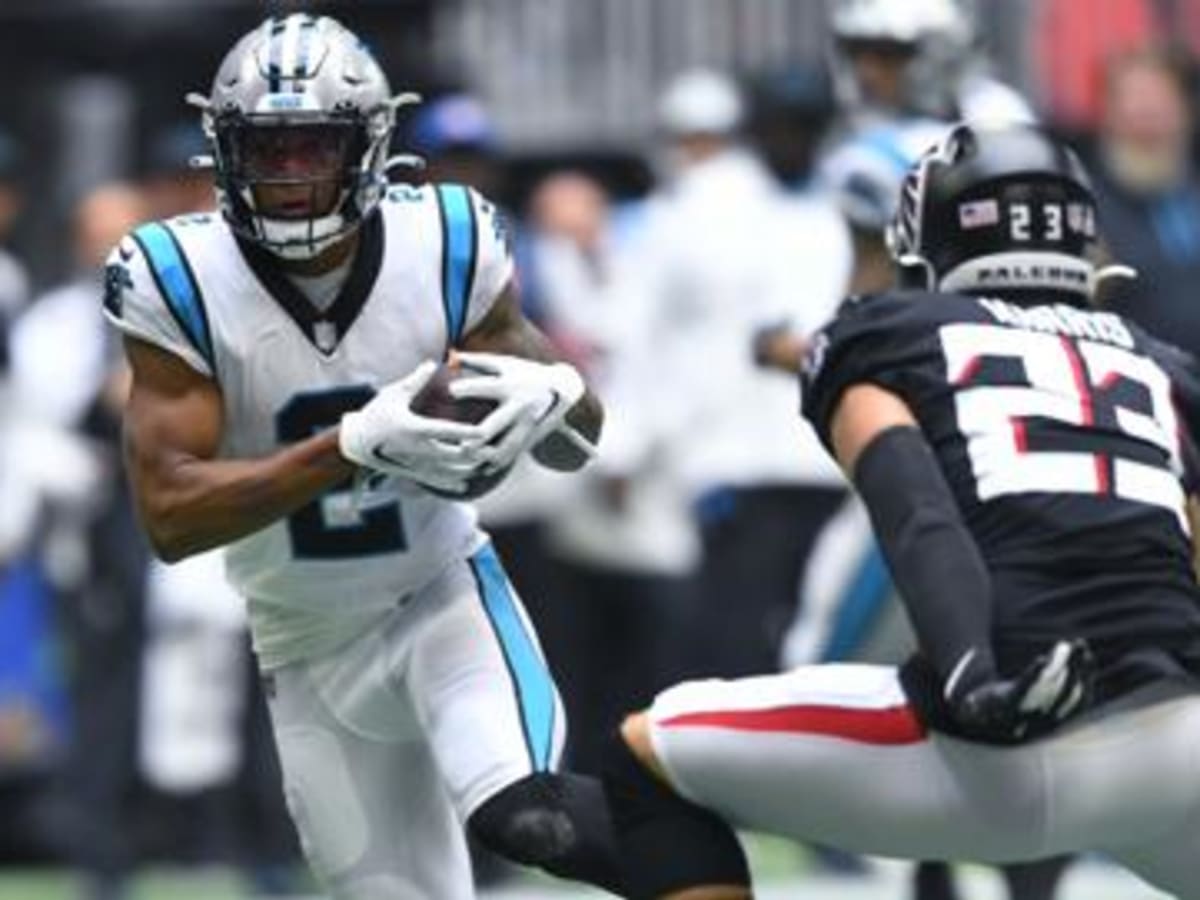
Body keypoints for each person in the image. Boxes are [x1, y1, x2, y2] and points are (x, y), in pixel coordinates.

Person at [603, 122, 1200, 900]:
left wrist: (972, 676)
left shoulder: (888, 334)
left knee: (646, 756)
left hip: (1009, 745)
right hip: (1177, 739)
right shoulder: (1164, 365)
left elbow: (917, 512)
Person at [103, 15, 623, 899]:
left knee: (531, 817)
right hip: (301, 642)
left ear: (371, 144)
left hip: (441, 598)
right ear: (224, 152)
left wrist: (559, 396)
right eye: (268, 149)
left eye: (315, 146)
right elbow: (171, 516)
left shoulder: (449, 240)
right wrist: (346, 447)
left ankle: (700, 865)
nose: (292, 174)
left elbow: (581, 440)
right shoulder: (173, 273)